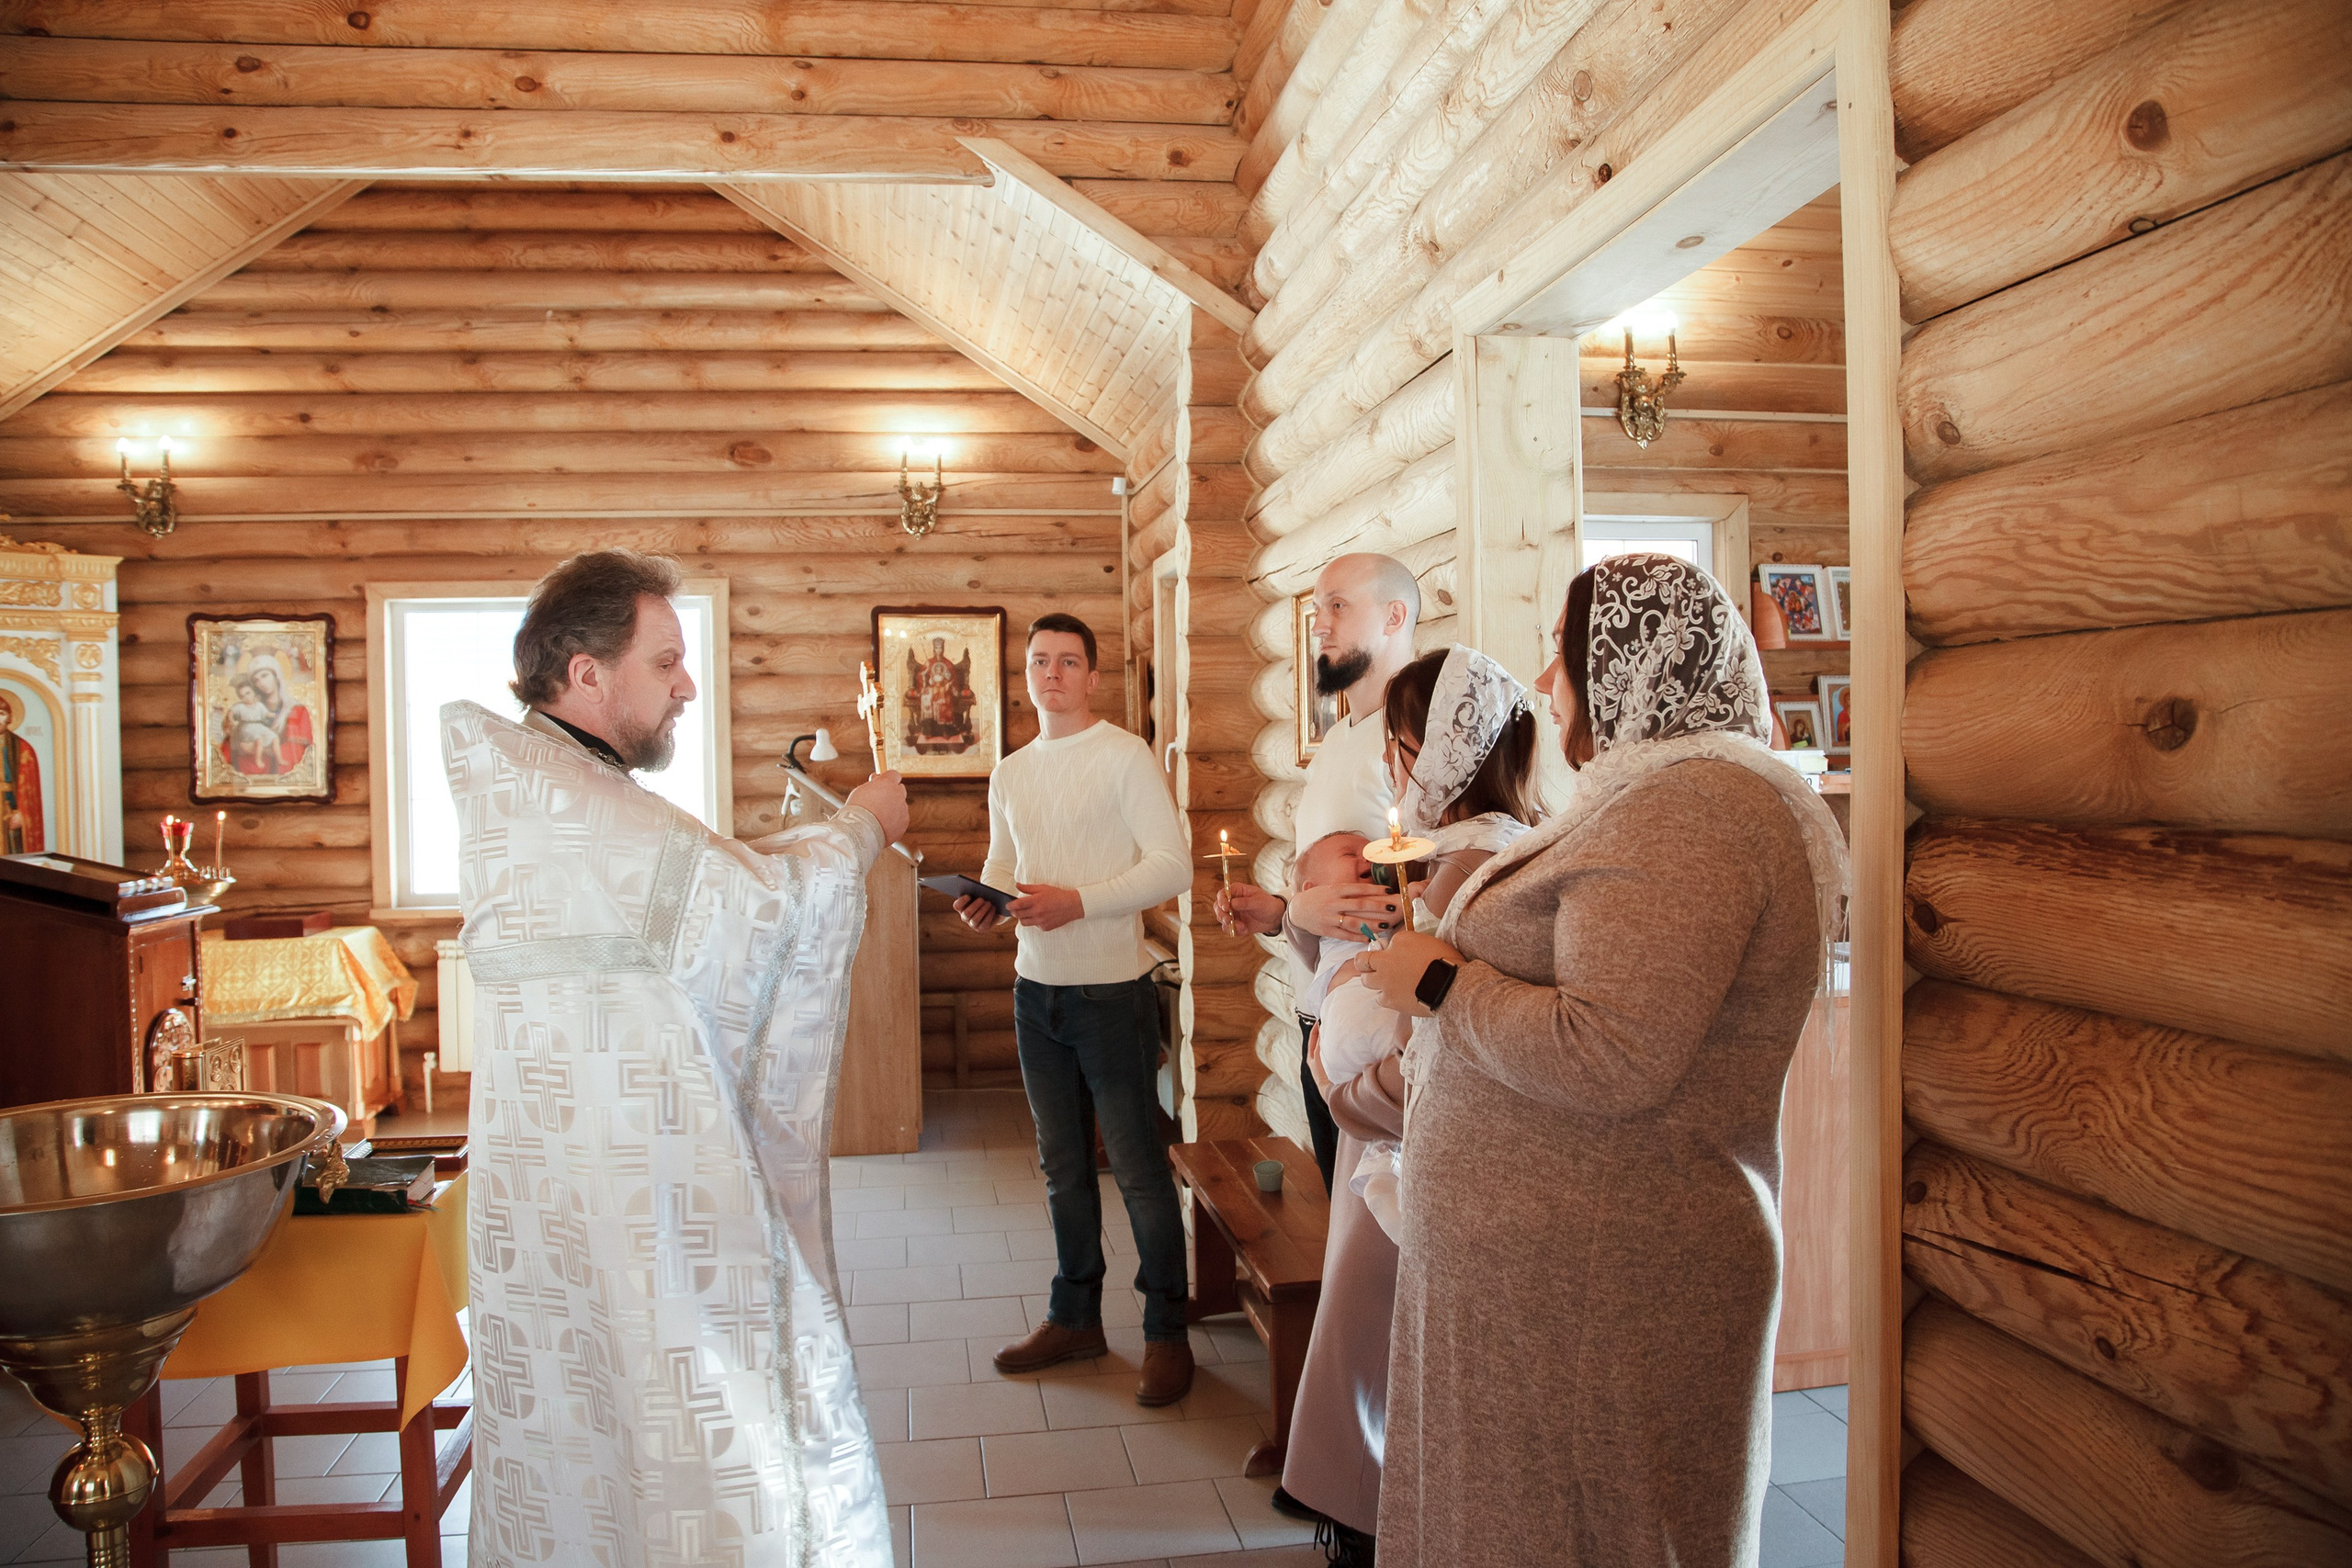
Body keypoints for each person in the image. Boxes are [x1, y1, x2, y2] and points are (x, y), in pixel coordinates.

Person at [1352, 555, 1849, 1567]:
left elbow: (1612, 1054)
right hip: (1557, 1280)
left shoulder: (1693, 812)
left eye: (1562, 655)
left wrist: (1438, 982)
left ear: (1632, 662)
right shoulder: (1657, 797)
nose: (1544, 684)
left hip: (1603, 1289)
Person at [442, 548, 909, 1568]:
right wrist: (862, 831)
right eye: (666, 662)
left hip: (570, 1183)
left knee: (598, 1422)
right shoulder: (576, 800)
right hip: (630, 1197)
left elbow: (707, 890)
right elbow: (758, 915)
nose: (686, 685)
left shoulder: (547, 788)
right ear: (585, 672)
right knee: (676, 1402)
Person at [1282, 644, 1542, 1566]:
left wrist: (1330, 1056)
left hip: (1408, 1145)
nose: (1393, 764)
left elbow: (1411, 1035)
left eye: (1398, 743)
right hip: (1413, 1140)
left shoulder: (1466, 861)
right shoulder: (1507, 842)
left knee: (1380, 1369)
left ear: (1428, 750)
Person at [955, 613, 1197, 1404]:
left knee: (1134, 1168)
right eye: (1039, 661)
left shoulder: (1124, 756)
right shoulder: (1011, 771)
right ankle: (1076, 1317)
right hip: (1037, 993)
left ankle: (1166, 1330)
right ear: (1024, 675)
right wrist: (986, 904)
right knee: (1062, 1169)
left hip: (1111, 992)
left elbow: (1173, 865)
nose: (1052, 673)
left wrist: (1080, 902)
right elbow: (1004, 864)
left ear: (1094, 676)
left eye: (1068, 661)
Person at [1216, 552, 1419, 1195]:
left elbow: (1429, 888)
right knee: (1344, 1214)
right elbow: (1340, 884)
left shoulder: (1415, 731)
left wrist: (1303, 913)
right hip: (1320, 1014)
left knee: (1380, 1233)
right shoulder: (1337, 738)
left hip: (1378, 1025)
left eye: (1339, 605)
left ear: (1395, 615)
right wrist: (1283, 912)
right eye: (1318, 608)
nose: (1320, 625)